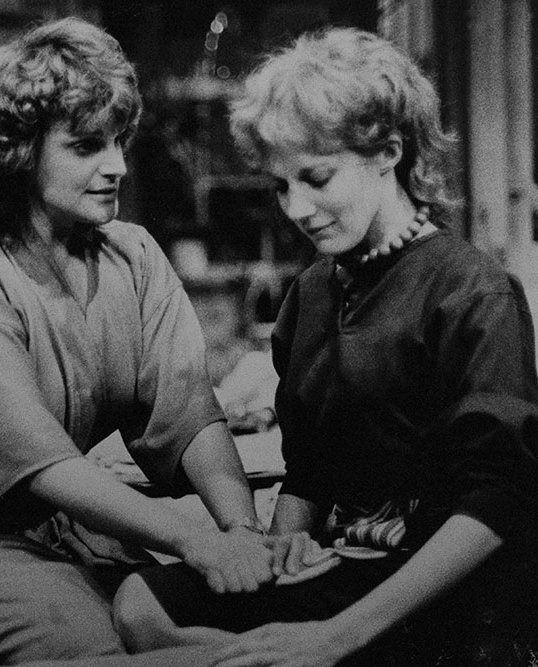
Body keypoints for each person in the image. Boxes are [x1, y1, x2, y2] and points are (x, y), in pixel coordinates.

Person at [112, 27, 538, 666]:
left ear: (388, 152)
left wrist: (336, 637)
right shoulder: (311, 294)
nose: (298, 209)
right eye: (282, 186)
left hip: (451, 587)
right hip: (350, 564)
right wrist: (282, 546)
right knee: (140, 604)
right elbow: (310, 472)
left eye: (317, 177)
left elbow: (500, 497)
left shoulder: (473, 289)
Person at [0, 17, 279, 666]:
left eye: (118, 141)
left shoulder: (133, 256)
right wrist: (194, 541)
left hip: (73, 526)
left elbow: (190, 412)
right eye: (86, 146)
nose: (117, 166)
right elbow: (40, 464)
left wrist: (241, 530)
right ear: (20, 152)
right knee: (98, 651)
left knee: (174, 622)